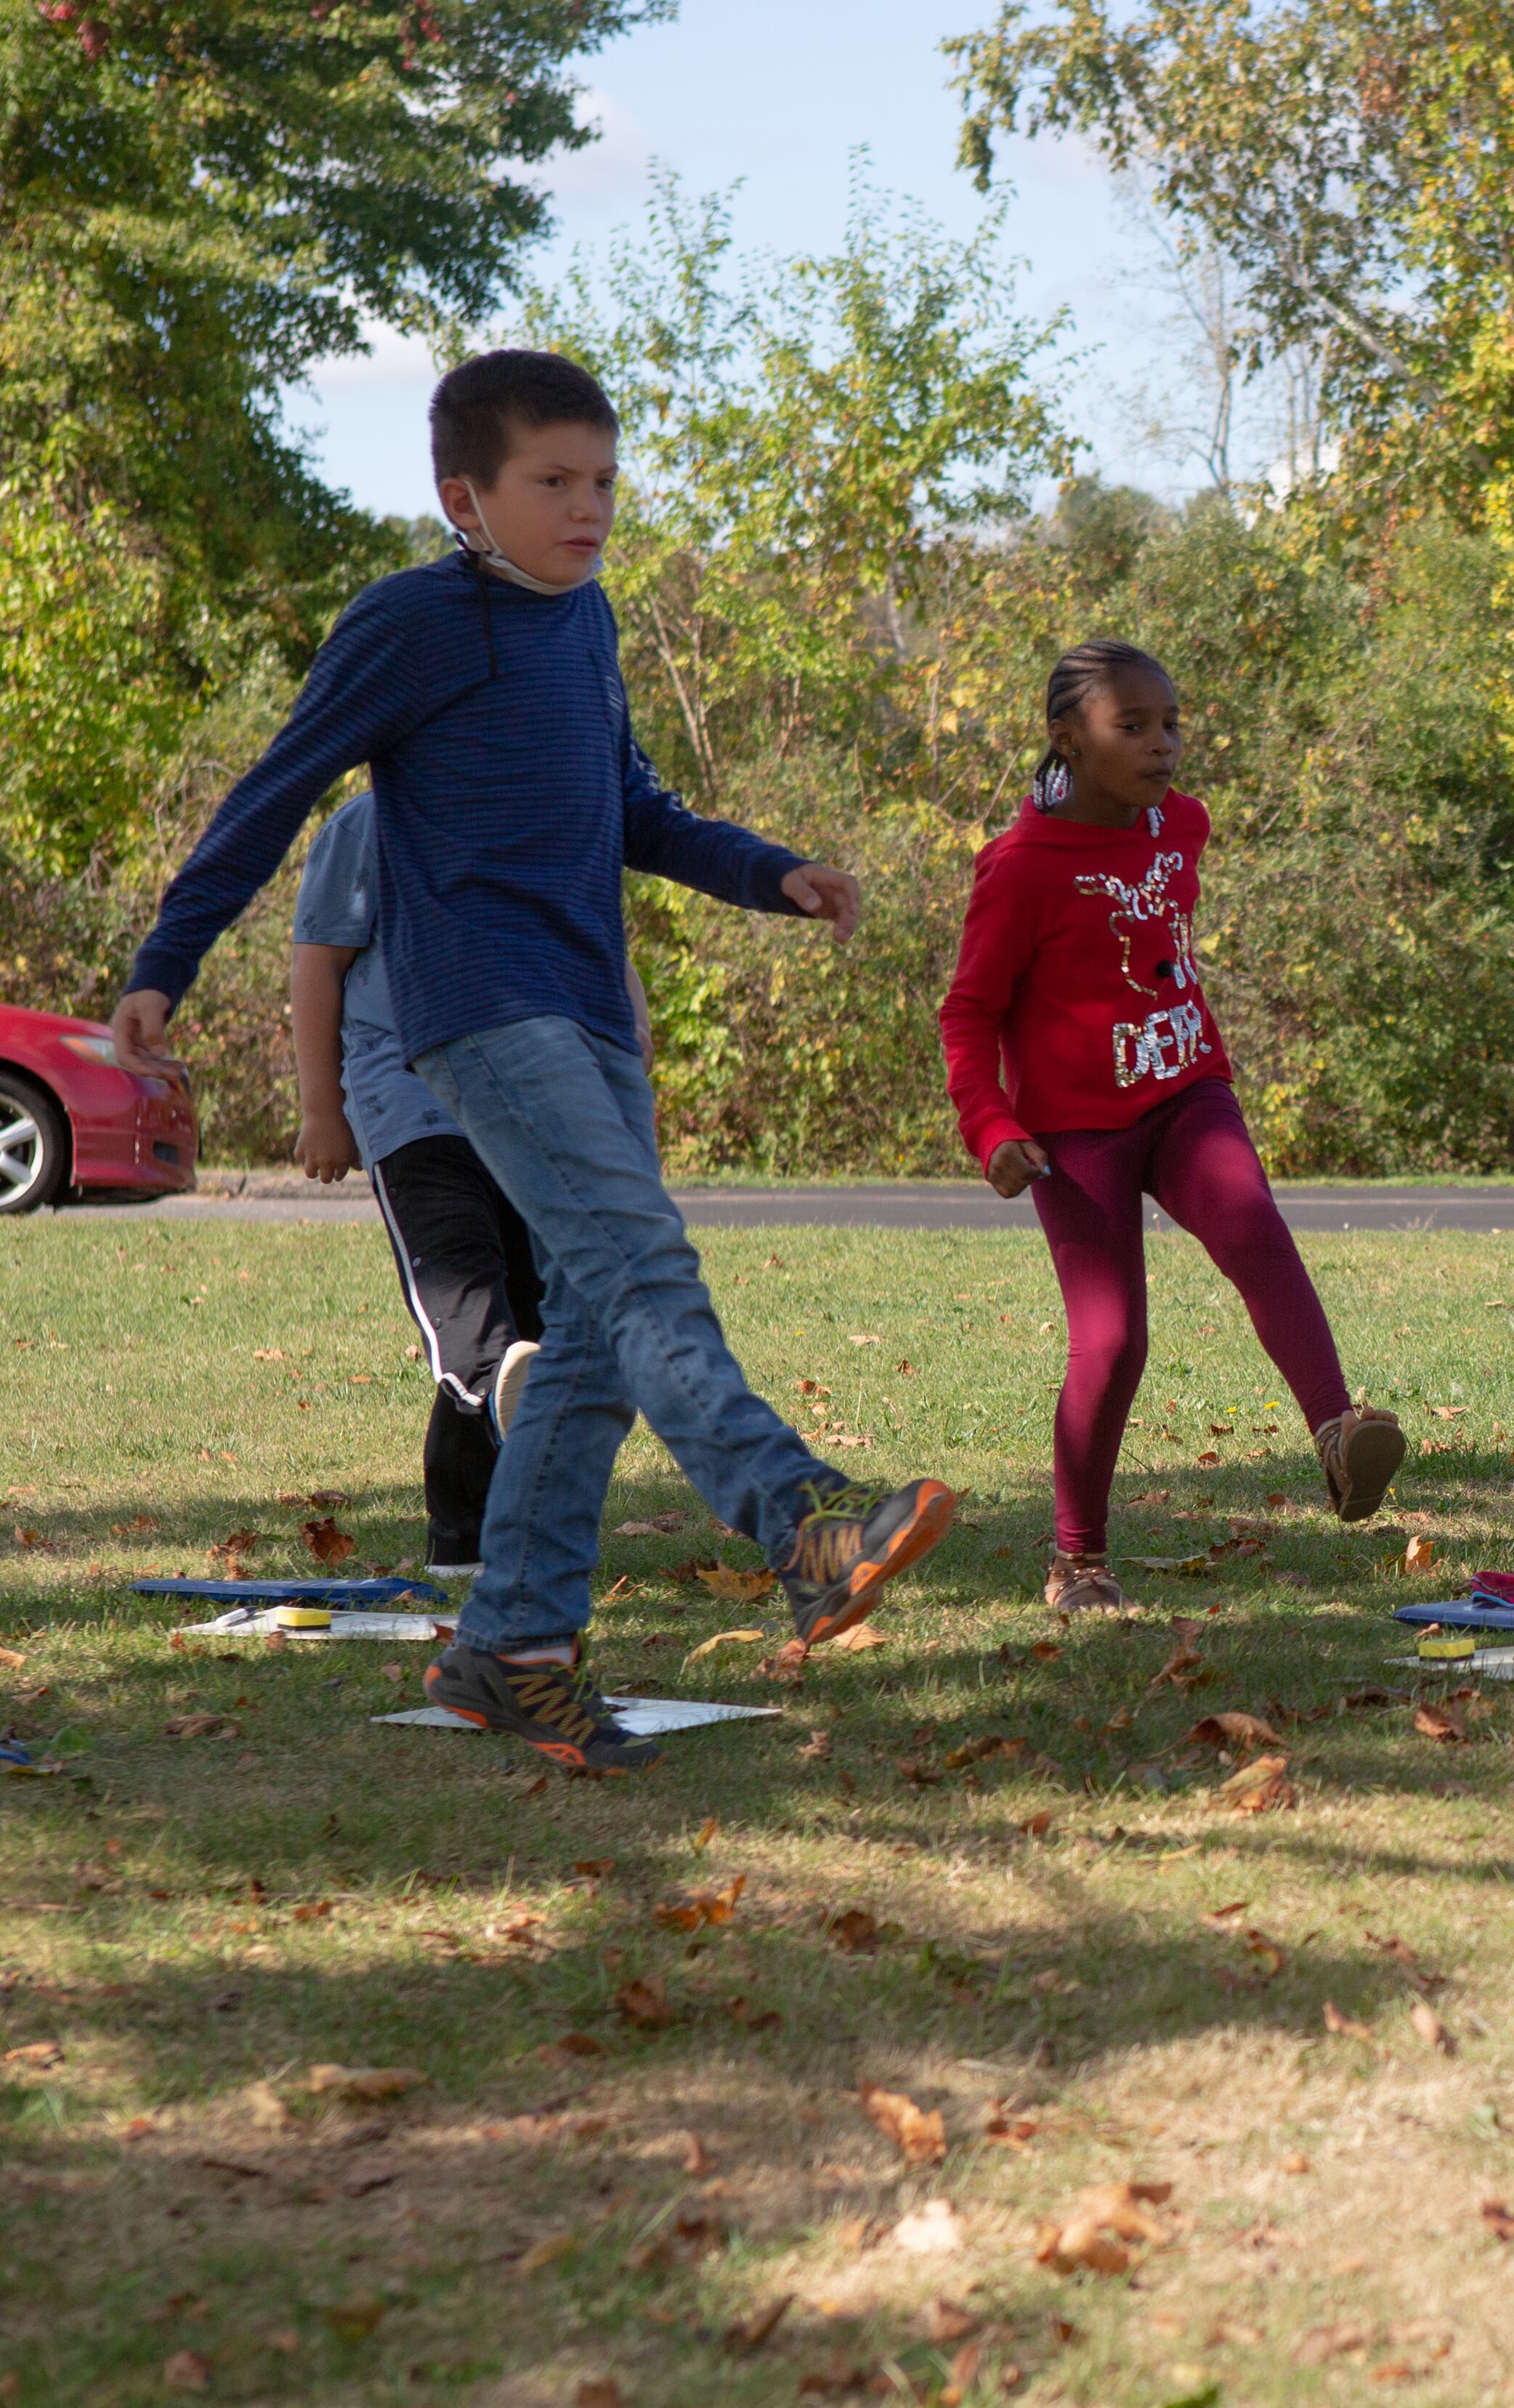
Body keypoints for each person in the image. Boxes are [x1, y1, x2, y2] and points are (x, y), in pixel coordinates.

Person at [112, 348, 959, 1774]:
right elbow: (275, 793)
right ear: (465, 498)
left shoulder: (589, 623)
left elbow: (632, 805)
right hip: (474, 1004)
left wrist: (768, 872)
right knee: (641, 1268)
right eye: (553, 483)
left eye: (604, 482)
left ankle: (513, 1643)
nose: (589, 509)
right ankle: (797, 1518)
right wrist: (165, 963)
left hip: (585, 1004)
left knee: (592, 1341)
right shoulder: (412, 623)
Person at [939, 639, 1406, 1609]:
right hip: (1075, 1136)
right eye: (1134, 726)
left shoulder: (1180, 825)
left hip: (1188, 1089)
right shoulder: (1020, 866)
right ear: (1069, 739)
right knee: (1112, 1343)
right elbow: (968, 1013)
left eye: (1172, 723)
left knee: (1254, 1229)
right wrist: (990, 1127)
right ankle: (1078, 1559)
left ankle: (1337, 1433)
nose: (1164, 745)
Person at [289, 787, 574, 1575]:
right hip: (413, 1112)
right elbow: (319, 966)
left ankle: (466, 1542)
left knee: (530, 1326)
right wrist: (322, 1109)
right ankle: (489, 1531)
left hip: (528, 1116)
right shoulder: (369, 825)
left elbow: (591, 944)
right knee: (474, 1317)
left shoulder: (537, 807)